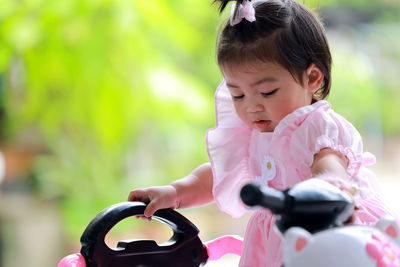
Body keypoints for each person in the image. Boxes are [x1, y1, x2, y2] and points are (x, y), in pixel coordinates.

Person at [128, 0, 396, 266]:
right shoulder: (253, 132)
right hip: (275, 243)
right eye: (238, 94)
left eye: (267, 92)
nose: (252, 107)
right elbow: (218, 176)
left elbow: (330, 167)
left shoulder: (317, 128)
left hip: (326, 235)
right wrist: (175, 192)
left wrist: (329, 188)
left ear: (313, 78)